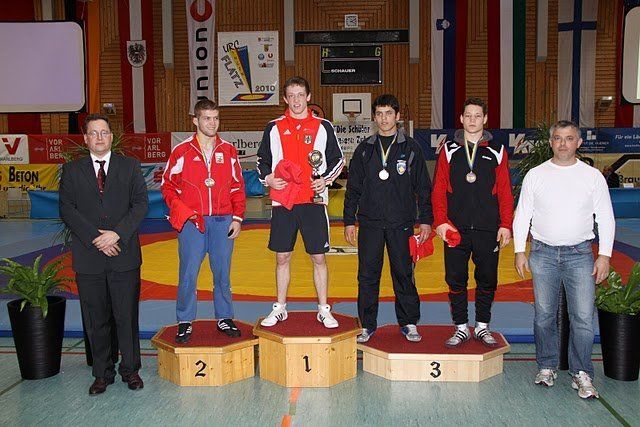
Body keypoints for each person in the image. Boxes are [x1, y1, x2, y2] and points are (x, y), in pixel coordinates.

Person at [513, 120, 615, 399]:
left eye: (569, 138)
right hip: (543, 254)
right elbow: (523, 214)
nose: (563, 143)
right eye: (558, 138)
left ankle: (582, 372)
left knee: (583, 317)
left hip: (580, 255)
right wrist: (519, 250)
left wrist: (604, 255)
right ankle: (547, 366)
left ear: (578, 143)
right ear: (551, 142)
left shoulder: (592, 176)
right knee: (544, 315)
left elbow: (606, 217)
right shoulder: (536, 175)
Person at [59, 114, 148, 395]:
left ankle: (130, 370)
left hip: (124, 254)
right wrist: (97, 238)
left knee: (126, 316)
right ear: (85, 139)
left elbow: (140, 205)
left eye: (104, 132)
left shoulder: (130, 167)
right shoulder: (72, 171)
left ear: (111, 136)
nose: (99, 137)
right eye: (94, 133)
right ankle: (102, 373)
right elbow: (67, 209)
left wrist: (116, 234)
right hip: (90, 257)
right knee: (95, 319)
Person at [343, 94, 433, 343]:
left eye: (389, 113)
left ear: (398, 116)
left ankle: (409, 322)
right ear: (374, 117)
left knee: (404, 274)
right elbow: (353, 189)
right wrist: (349, 221)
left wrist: (426, 219)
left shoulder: (411, 148)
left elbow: (423, 187)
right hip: (370, 223)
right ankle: (366, 325)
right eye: (380, 114)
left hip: (401, 223)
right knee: (367, 276)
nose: (384, 119)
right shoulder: (364, 149)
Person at [256, 76, 344, 328]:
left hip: (313, 201)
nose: (296, 100)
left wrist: (325, 180)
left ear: (308, 97)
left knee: (319, 258)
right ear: (285, 98)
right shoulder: (273, 127)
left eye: (300, 95)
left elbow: (338, 159)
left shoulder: (323, 127)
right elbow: (262, 160)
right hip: (283, 202)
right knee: (282, 257)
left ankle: (324, 309)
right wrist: (268, 178)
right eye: (291, 95)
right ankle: (280, 308)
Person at [431, 97, 514, 348]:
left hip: (488, 227)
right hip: (455, 228)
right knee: (455, 279)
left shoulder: (497, 151)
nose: (472, 120)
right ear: (461, 119)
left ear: (485, 119)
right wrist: (440, 222)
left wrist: (506, 224)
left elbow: (505, 190)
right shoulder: (448, 150)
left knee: (487, 279)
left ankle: (482, 326)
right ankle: (460, 327)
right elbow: (439, 188)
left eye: (477, 116)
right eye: (468, 115)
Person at [161, 99, 246, 343]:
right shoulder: (182, 151)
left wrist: (237, 218)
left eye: (216, 118)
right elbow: (168, 186)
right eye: (207, 118)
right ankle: (185, 320)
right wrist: (183, 213)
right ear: (195, 121)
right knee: (188, 273)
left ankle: (224, 317)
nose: (212, 123)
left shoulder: (228, 151)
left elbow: (237, 187)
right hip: (193, 222)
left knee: (222, 273)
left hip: (223, 221)